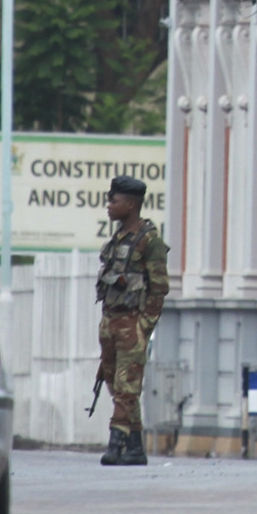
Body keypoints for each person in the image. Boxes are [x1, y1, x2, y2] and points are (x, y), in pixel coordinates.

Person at [95, 175, 170, 467]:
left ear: (130, 204)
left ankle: (117, 444)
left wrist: (145, 325)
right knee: (116, 383)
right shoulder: (117, 240)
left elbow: (159, 287)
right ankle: (136, 447)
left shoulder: (149, 240)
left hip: (132, 323)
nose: (108, 206)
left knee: (127, 387)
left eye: (113, 201)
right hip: (110, 321)